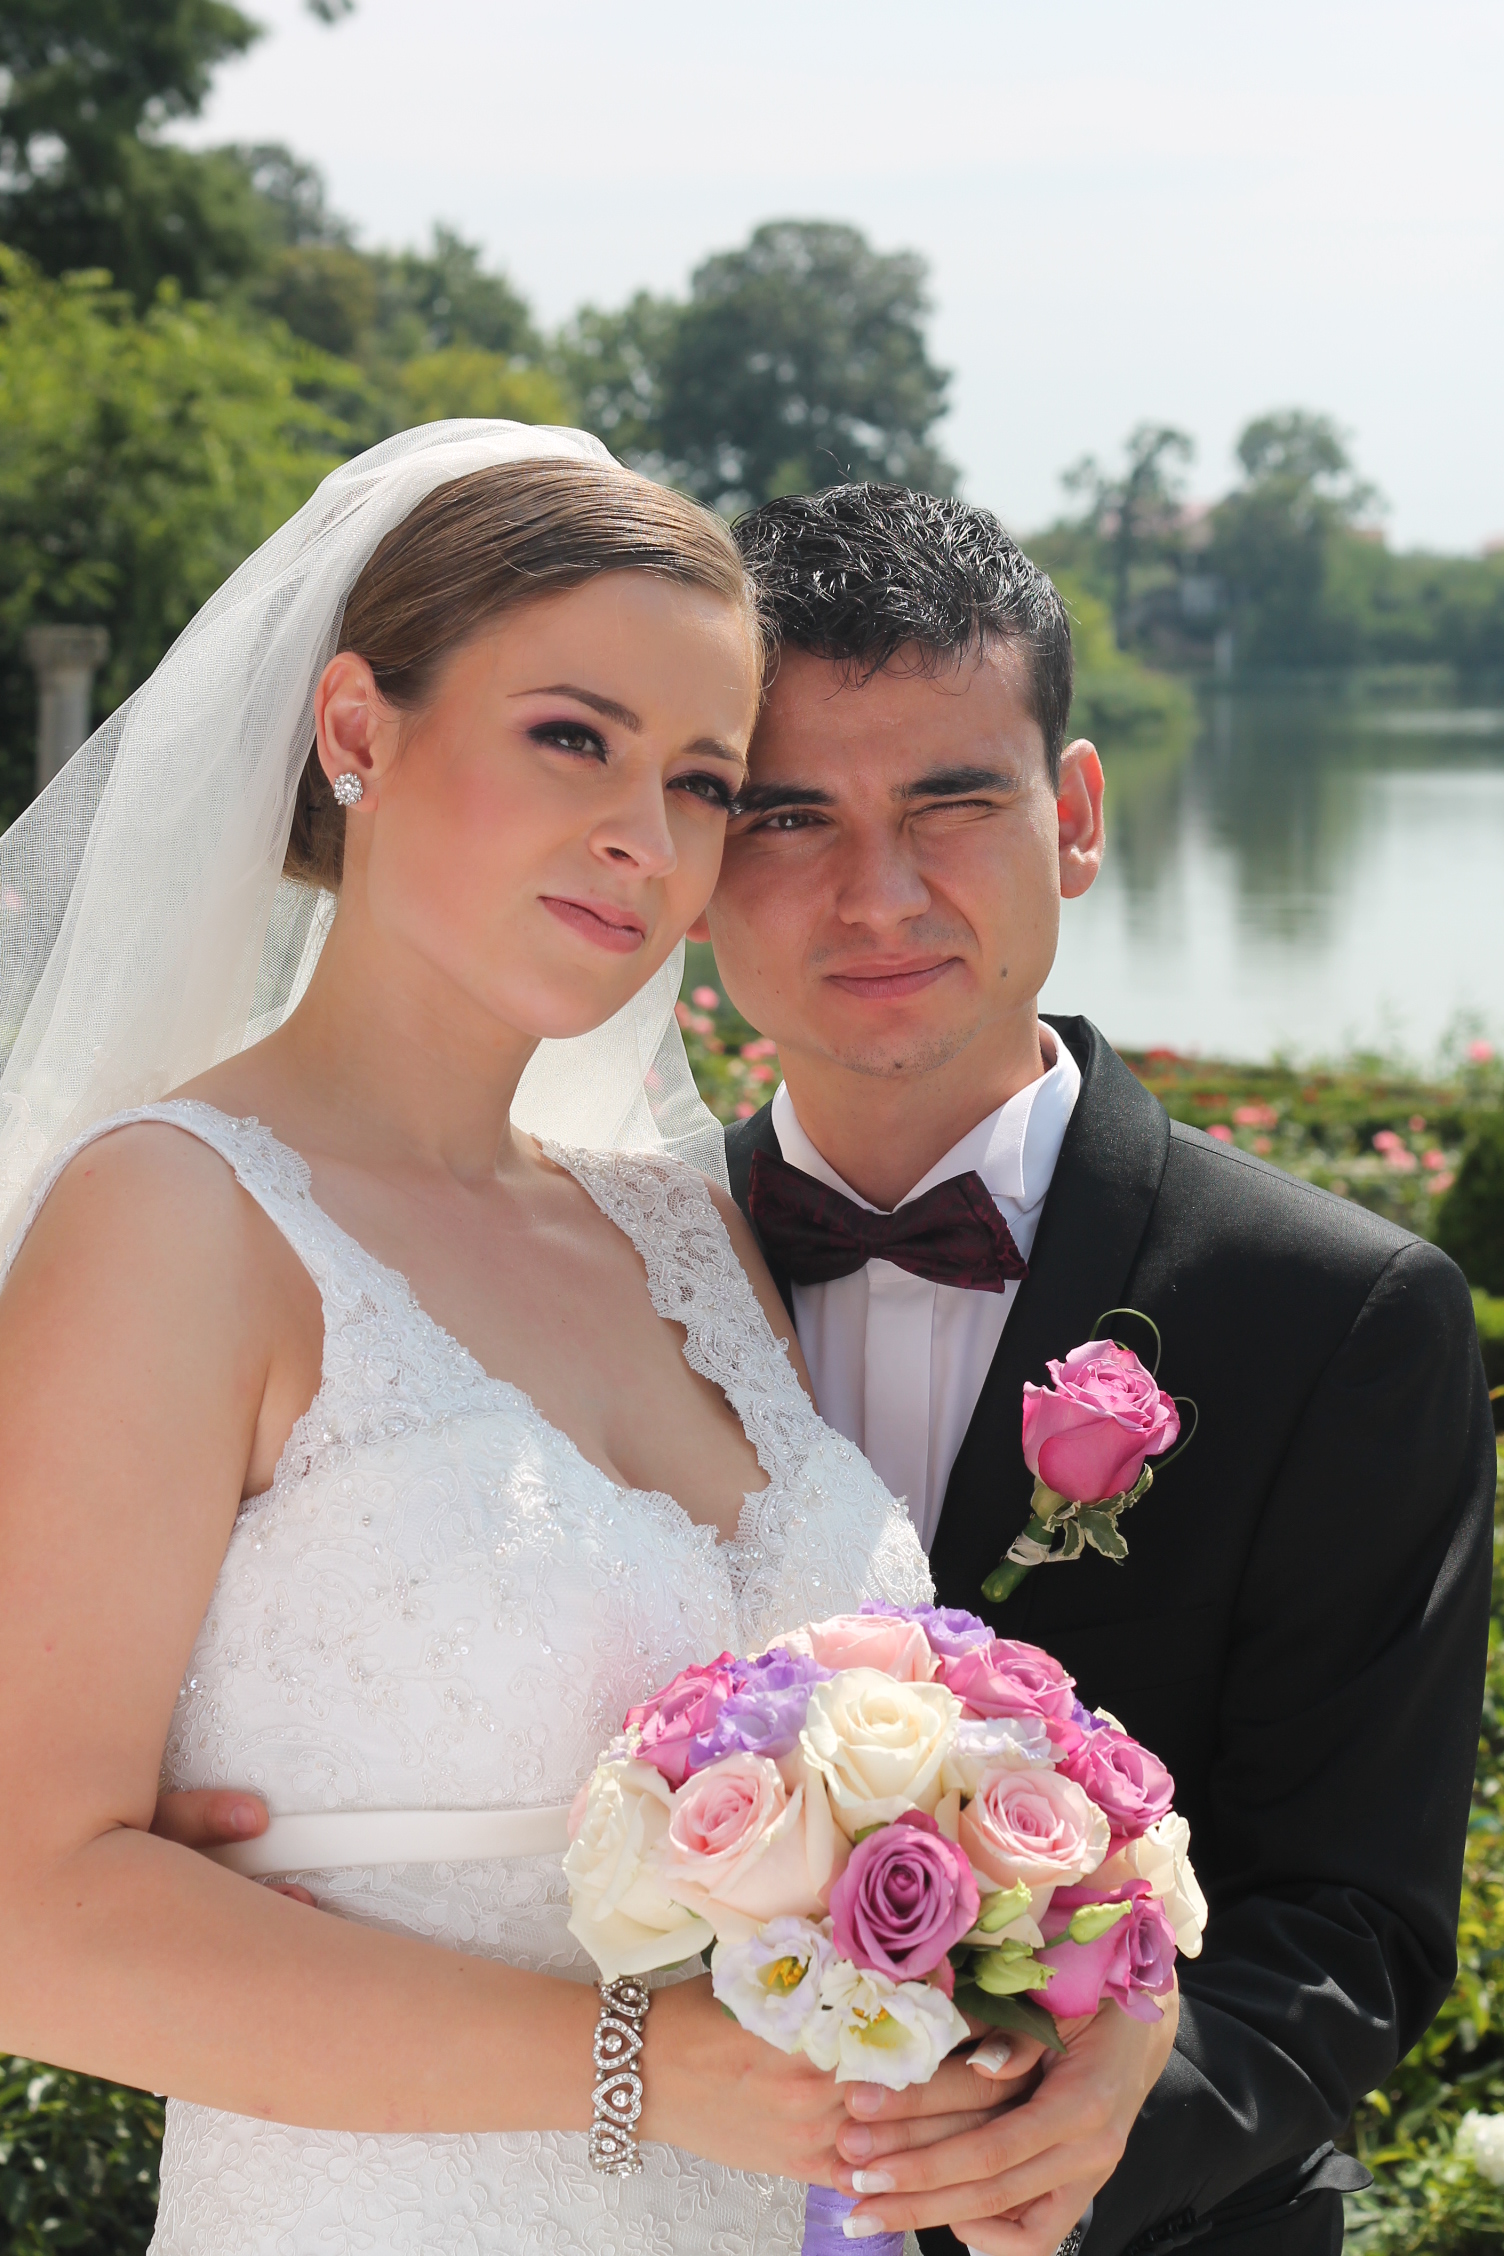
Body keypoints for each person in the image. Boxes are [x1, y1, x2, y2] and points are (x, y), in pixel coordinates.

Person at [0, 425, 958, 2256]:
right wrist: (640, 2067)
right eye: (572, 737)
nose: (644, 841)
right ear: (357, 730)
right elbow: (23, 1920)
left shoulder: (686, 1235)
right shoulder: (177, 1221)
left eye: (703, 783)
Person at [689, 483, 1495, 2255]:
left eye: (952, 803)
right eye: (787, 814)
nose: (877, 894)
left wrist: (1088, 2138)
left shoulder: (1342, 1316)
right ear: (689, 854)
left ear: (1072, 819)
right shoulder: (584, 1272)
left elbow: (1353, 1919)